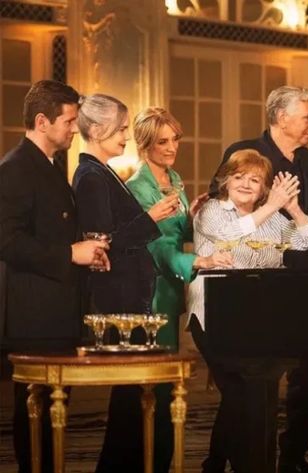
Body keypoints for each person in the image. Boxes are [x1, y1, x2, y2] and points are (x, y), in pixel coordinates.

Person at [210, 86, 308, 473]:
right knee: (250, 383)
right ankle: (222, 460)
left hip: (305, 284)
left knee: (307, 377)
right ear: (281, 118)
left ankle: (294, 457)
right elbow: (223, 216)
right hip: (257, 284)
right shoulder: (244, 152)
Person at [1, 80, 109, 473]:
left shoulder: (46, 166)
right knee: (35, 414)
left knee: (52, 414)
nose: (74, 128)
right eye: (69, 120)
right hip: (34, 315)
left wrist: (85, 253)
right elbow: (8, 243)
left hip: (56, 308)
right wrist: (69, 253)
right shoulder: (15, 168)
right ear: (42, 121)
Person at [189, 148, 308, 472]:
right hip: (213, 315)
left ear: (264, 188)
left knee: (241, 394)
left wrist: (292, 208)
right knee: (239, 392)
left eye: (255, 179)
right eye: (239, 177)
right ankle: (242, 463)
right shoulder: (212, 211)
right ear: (225, 180)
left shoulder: (274, 219)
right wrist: (273, 205)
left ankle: (216, 463)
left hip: (257, 318)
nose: (246, 184)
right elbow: (230, 236)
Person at [72, 93, 179, 473]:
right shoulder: (90, 176)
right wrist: (151, 216)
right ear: (97, 130)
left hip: (131, 298)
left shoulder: (103, 172)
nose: (125, 137)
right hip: (119, 300)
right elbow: (103, 244)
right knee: (128, 397)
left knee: (133, 397)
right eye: (120, 129)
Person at [125, 107, 230, 472]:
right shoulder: (137, 187)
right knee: (155, 387)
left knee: (169, 385)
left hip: (172, 288)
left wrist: (192, 216)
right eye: (162, 142)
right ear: (145, 144)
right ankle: (150, 460)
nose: (172, 148)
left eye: (175, 140)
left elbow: (178, 234)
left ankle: (163, 458)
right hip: (151, 291)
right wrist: (196, 263)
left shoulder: (174, 178)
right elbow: (154, 244)